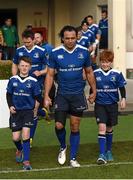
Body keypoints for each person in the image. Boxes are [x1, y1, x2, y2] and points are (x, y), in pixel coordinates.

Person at [44, 25, 96, 167]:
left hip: (78, 95)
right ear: (62, 38)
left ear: (76, 37)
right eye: (67, 38)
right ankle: (63, 147)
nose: (71, 41)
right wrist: (47, 96)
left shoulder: (84, 52)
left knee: (74, 127)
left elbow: (89, 72)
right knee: (59, 125)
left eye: (73, 38)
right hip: (62, 95)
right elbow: (49, 75)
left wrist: (94, 90)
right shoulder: (55, 53)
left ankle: (73, 158)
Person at [12, 29, 48, 147]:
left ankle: (30, 138)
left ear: (34, 40)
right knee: (24, 109)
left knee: (33, 110)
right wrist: (14, 78)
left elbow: (49, 68)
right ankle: (43, 112)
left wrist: (41, 72)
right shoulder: (19, 51)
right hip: (22, 86)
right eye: (24, 42)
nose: (26, 45)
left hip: (36, 85)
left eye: (28, 42)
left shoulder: (41, 51)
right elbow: (14, 65)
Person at [6, 56, 42, 170]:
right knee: (16, 138)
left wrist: (39, 106)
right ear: (18, 66)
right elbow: (9, 95)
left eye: (26, 66)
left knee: (25, 134)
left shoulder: (33, 81)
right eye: (22, 65)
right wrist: (10, 106)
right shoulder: (13, 80)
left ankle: (26, 162)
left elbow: (38, 96)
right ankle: (19, 149)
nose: (24, 68)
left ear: (30, 67)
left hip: (28, 112)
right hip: (16, 112)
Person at [93, 50, 126, 165]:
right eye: (102, 62)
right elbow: (93, 87)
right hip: (100, 105)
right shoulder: (95, 73)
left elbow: (122, 87)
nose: (104, 64)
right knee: (101, 128)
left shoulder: (117, 73)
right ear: (100, 62)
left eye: (107, 62)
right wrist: (92, 95)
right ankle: (101, 155)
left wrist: (123, 99)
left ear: (111, 62)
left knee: (109, 128)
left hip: (112, 105)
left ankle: (108, 151)